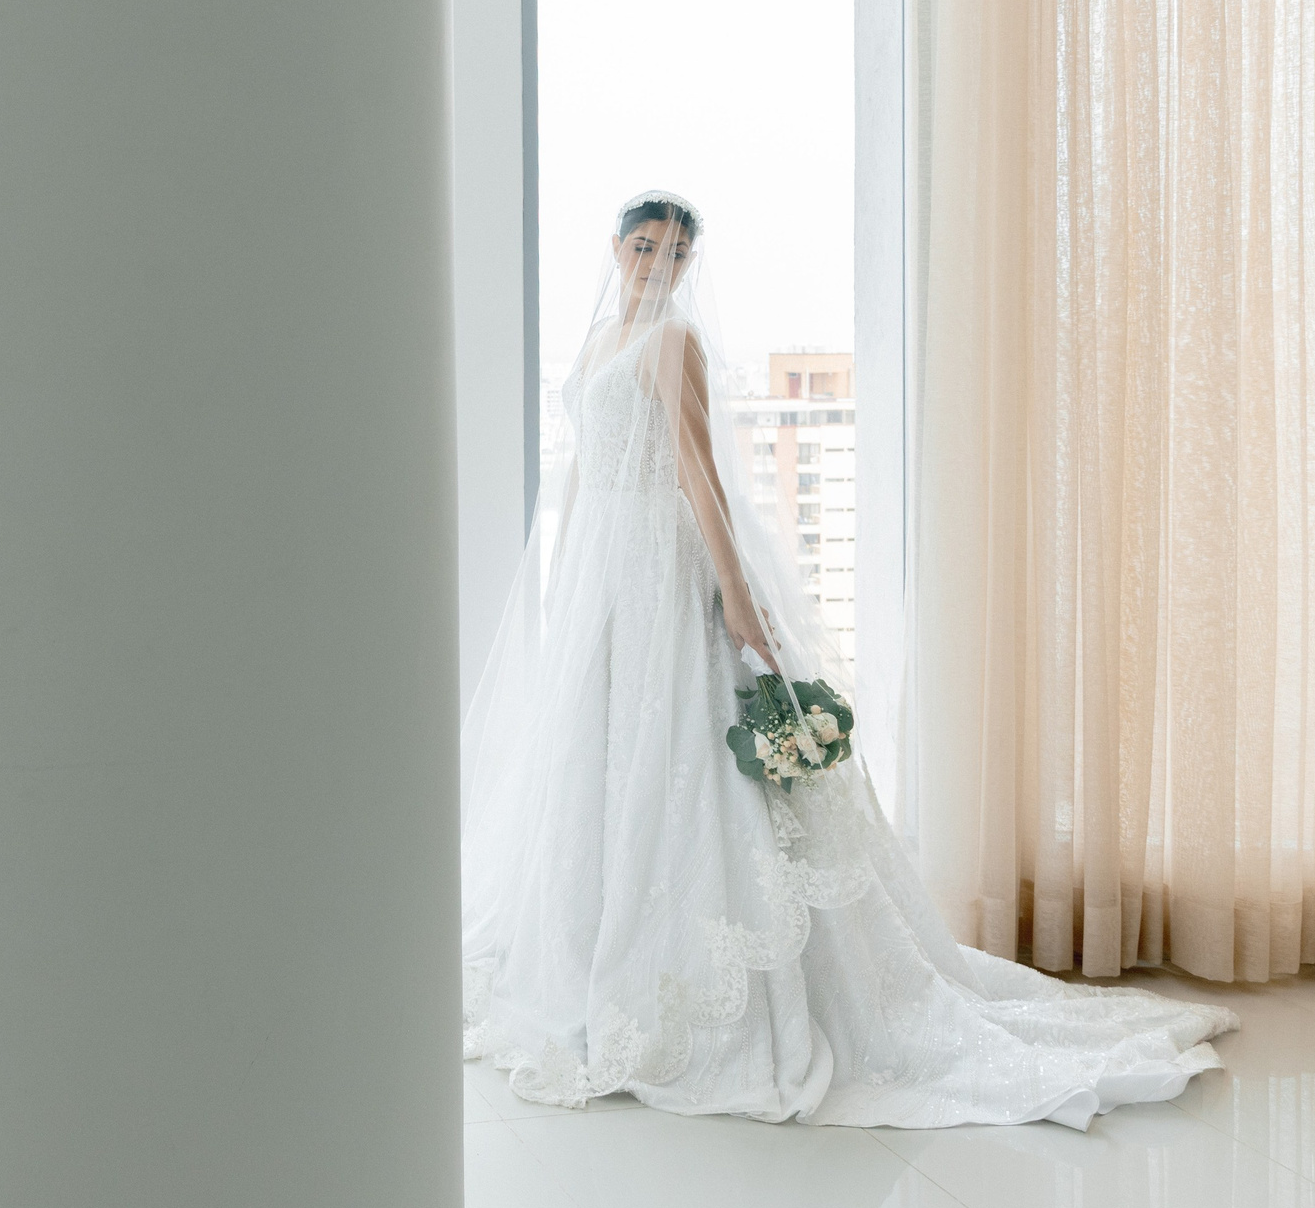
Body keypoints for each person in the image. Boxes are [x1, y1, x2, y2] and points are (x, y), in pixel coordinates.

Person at [459, 191, 1233, 1128]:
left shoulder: (673, 344)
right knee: (602, 765)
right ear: (615, 248)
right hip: (602, 582)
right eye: (642, 245)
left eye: (673, 250)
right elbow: (583, 473)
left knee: (689, 762)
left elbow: (700, 477)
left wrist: (740, 606)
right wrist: (563, 590)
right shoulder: (593, 349)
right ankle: (588, 965)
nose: (656, 262)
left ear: (690, 262)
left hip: (664, 572)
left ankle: (696, 993)